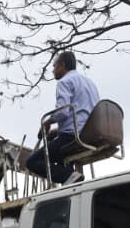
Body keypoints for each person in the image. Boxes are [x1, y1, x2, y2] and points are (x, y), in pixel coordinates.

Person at [25, 51, 100, 185]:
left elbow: (63, 112)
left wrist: (48, 122)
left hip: (72, 137)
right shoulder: (90, 83)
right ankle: (71, 178)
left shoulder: (65, 82)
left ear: (62, 65)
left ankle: (69, 176)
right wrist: (58, 130)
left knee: (32, 162)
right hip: (90, 135)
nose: (53, 70)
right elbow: (82, 114)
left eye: (54, 66)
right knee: (58, 149)